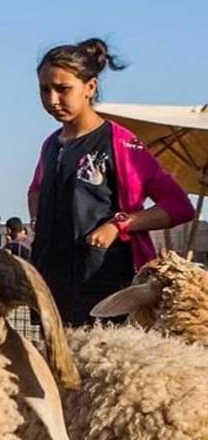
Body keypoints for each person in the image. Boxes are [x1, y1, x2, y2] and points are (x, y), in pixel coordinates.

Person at [28, 38, 194, 326]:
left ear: (90, 87)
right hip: (51, 281)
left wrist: (118, 225)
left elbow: (178, 206)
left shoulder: (120, 142)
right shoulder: (51, 145)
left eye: (63, 89)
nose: (52, 99)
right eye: (45, 89)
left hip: (104, 284)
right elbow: (36, 190)